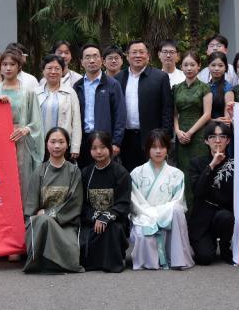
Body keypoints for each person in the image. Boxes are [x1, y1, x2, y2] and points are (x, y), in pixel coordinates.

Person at [129, 129, 194, 270]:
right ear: (147, 149)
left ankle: (178, 259)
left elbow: (178, 201)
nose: (158, 151)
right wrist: (151, 215)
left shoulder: (177, 174)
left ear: (167, 149)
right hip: (144, 216)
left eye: (162, 147)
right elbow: (135, 202)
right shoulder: (136, 173)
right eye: (154, 147)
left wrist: (160, 214)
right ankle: (152, 261)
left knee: (177, 210)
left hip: (168, 216)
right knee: (143, 235)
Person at [23, 128, 83, 273]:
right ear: (46, 144)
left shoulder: (74, 171)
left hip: (65, 224)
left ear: (68, 144)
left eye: (61, 142)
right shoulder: (39, 172)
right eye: (53, 142)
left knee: (70, 250)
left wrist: (49, 213)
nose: (57, 146)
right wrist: (38, 218)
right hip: (41, 224)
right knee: (43, 221)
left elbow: (75, 203)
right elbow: (31, 205)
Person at [0, 49, 43, 197]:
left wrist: (25, 129)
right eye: (4, 64)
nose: (8, 68)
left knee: (22, 179)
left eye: (12, 64)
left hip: (21, 142)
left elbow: (36, 121)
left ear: (19, 67)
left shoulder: (29, 92)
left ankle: (24, 210)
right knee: (0, 178)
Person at [117, 39, 174, 171]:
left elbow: (167, 110)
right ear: (127, 56)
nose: (138, 55)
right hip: (126, 138)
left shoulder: (160, 77)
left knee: (153, 173)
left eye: (141, 52)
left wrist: (164, 137)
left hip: (153, 138)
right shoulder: (119, 78)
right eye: (134, 52)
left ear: (148, 55)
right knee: (130, 174)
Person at [80, 131, 131, 273]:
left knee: (111, 230)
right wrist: (96, 216)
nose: (98, 152)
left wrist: (106, 217)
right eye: (94, 148)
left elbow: (123, 203)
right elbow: (81, 203)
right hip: (91, 219)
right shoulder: (86, 173)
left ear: (110, 148)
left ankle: (111, 262)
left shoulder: (121, 173)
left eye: (102, 147)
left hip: (114, 220)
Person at [188, 121, 235, 265]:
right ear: (206, 141)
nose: (218, 140)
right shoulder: (197, 163)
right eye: (213, 137)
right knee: (205, 258)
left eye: (222, 136)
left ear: (228, 140)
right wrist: (212, 165)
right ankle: (209, 242)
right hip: (202, 217)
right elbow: (198, 191)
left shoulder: (235, 164)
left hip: (223, 215)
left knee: (225, 217)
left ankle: (225, 246)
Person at [73, 43, 127, 169]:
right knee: (85, 174)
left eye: (95, 56)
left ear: (102, 60)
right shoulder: (77, 86)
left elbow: (120, 115)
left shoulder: (113, 84)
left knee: (105, 175)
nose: (92, 60)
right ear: (82, 62)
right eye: (87, 57)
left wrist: (116, 143)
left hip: (105, 141)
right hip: (83, 141)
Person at [172, 51, 212, 205]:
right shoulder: (176, 88)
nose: (189, 68)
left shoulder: (204, 88)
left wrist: (190, 132)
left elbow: (207, 114)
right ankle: (185, 211)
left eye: (192, 65)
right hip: (181, 135)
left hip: (198, 134)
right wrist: (177, 131)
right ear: (181, 67)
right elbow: (174, 114)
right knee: (183, 172)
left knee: (198, 171)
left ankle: (199, 210)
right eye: (186, 65)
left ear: (199, 66)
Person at [37, 54, 82, 160]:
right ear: (43, 71)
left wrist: (75, 147)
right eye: (49, 68)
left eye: (57, 68)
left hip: (62, 145)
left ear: (62, 71)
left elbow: (76, 122)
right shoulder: (35, 93)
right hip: (39, 145)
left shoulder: (70, 93)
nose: (53, 72)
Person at [205, 52, 234, 122]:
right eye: (213, 65)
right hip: (204, 126)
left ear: (225, 68)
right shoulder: (205, 86)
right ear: (208, 66)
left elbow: (227, 120)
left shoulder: (228, 88)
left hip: (220, 127)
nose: (216, 68)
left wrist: (214, 121)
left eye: (220, 66)